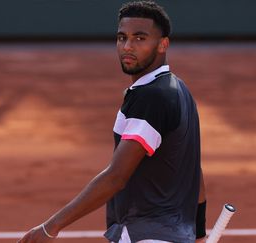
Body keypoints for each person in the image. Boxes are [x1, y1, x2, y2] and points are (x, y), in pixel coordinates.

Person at [18, 1, 206, 242]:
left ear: (162, 44)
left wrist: (50, 228)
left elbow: (116, 177)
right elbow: (194, 172)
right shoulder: (179, 89)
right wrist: (199, 234)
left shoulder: (152, 97)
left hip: (146, 234)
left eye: (140, 38)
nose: (127, 47)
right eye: (122, 38)